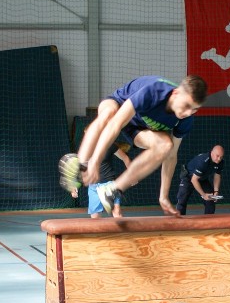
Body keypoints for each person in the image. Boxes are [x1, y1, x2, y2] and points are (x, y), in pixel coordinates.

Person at [70, 75, 208, 215]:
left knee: (166, 145)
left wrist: (164, 196)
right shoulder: (154, 91)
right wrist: (95, 161)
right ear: (176, 93)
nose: (188, 113)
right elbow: (115, 124)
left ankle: (113, 189)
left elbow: (171, 156)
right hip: (119, 106)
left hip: (137, 130)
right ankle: (79, 164)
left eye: (195, 109)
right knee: (108, 114)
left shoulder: (185, 120)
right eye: (187, 106)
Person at [74, 142, 131, 218]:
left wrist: (132, 175)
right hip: (93, 187)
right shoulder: (86, 150)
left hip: (109, 184)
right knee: (95, 217)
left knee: (116, 212)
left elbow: (125, 158)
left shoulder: (109, 145)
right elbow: (81, 169)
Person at [175, 145, 225, 215]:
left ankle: (208, 221)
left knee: (211, 197)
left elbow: (217, 175)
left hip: (202, 178)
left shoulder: (221, 162)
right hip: (189, 178)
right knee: (182, 199)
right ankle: (179, 221)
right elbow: (194, 180)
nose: (219, 159)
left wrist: (216, 191)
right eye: (217, 156)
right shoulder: (203, 161)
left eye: (221, 156)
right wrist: (204, 195)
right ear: (212, 153)